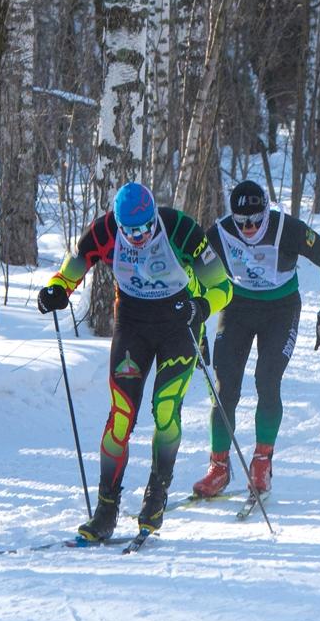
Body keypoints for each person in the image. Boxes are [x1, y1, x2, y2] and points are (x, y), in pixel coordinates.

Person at [36, 182, 233, 541]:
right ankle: (105, 510)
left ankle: (156, 495)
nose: (139, 236)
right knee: (121, 415)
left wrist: (201, 307)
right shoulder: (106, 230)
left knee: (165, 409)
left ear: (154, 217)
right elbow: (77, 262)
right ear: (120, 223)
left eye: (145, 228)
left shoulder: (179, 228)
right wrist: (57, 288)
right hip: (132, 324)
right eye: (131, 230)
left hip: (178, 326)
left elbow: (223, 287)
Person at [190, 180, 320, 499]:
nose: (249, 227)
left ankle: (262, 462)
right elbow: (195, 276)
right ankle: (218, 467)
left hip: (281, 309)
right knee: (225, 387)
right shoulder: (218, 233)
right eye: (242, 221)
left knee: (267, 380)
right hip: (237, 308)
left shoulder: (287, 228)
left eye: (257, 220)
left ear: (266, 211)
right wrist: (198, 323)